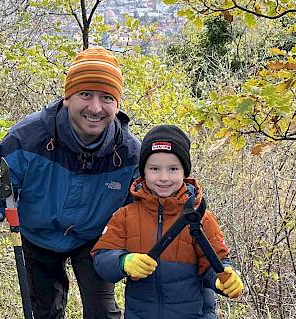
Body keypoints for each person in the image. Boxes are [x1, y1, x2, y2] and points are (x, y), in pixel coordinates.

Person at [0, 47, 141, 319]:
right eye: (85, 94)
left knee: (102, 314)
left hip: (95, 239)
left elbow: (145, 206)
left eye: (106, 97)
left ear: (117, 105)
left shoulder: (129, 154)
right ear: (68, 97)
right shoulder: (29, 137)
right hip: (38, 235)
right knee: (47, 312)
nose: (95, 108)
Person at [91, 125, 244, 319]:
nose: (163, 177)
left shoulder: (201, 219)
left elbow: (215, 263)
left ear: (184, 172)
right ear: (143, 171)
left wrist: (223, 279)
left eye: (173, 169)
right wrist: (123, 261)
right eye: (154, 168)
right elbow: (101, 258)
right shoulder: (125, 216)